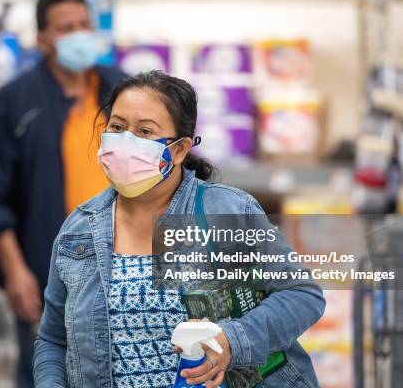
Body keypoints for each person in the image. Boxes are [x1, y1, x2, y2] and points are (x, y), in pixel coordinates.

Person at [33, 71, 325, 388]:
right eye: (117, 127)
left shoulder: (225, 212)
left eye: (145, 131)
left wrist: (232, 340)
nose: (126, 141)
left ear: (179, 150)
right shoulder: (80, 230)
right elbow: (52, 340)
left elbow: (300, 295)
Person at [0, 0, 126, 388]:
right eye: (66, 27)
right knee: (47, 374)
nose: (79, 34)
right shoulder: (16, 102)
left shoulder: (123, 92)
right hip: (47, 278)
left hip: (127, 271)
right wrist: (16, 271)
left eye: (84, 24)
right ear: (42, 40)